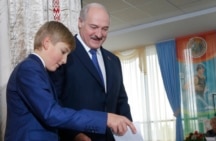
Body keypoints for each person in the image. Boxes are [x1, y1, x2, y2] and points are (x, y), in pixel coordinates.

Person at [5, 21, 136, 141]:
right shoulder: (29, 69)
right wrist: (105, 119)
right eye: (63, 52)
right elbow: (51, 113)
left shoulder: (41, 72)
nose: (64, 60)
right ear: (46, 43)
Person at [49, 3, 134, 141]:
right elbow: (55, 103)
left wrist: (129, 132)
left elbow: (121, 101)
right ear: (80, 22)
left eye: (105, 29)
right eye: (93, 27)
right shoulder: (64, 55)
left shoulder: (114, 60)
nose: (99, 34)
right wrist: (74, 135)